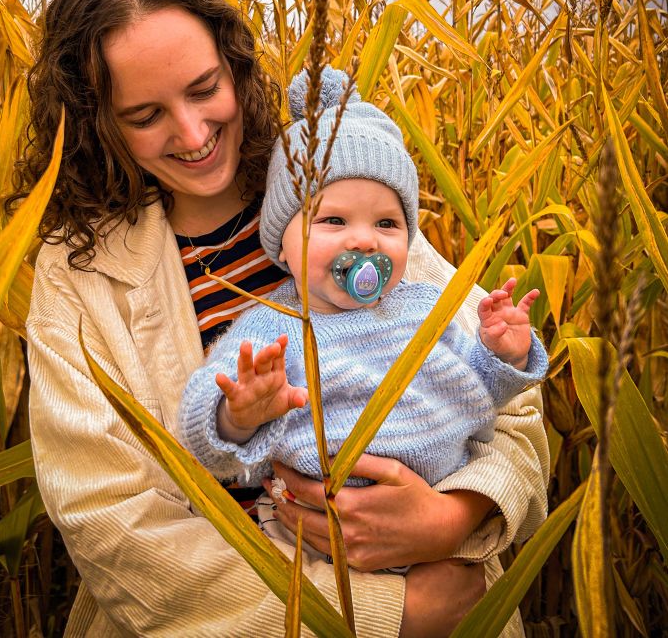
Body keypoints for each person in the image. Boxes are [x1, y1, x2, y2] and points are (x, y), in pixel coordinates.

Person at [20, 0, 549, 637]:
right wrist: (391, 614)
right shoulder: (76, 275)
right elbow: (112, 526)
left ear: (235, 67)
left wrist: (453, 518)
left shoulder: (343, 191)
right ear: (97, 124)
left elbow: (512, 408)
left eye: (205, 88)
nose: (192, 133)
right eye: (145, 115)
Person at [178, 68, 548, 565]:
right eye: (334, 220)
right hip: (313, 548)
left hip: (441, 534)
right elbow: (208, 440)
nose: (365, 240)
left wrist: (503, 354)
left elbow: (478, 393)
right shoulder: (274, 327)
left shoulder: (422, 308)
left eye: (387, 223)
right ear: (283, 246)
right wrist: (238, 414)